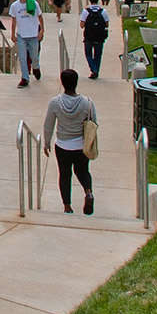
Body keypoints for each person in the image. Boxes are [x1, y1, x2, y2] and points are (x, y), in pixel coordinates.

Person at [42, 69, 97, 215]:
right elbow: (94, 122)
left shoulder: (55, 103)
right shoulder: (87, 103)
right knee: (83, 170)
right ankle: (88, 192)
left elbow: (48, 125)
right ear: (76, 83)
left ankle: (67, 206)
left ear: (62, 83)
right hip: (81, 145)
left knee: (65, 175)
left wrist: (46, 143)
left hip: (62, 145)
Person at [8, 0, 44, 88]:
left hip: (33, 35)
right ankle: (25, 78)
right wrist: (13, 33)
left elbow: (40, 17)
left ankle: (36, 67)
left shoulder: (33, 3)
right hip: (21, 35)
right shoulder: (15, 6)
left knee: (34, 56)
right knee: (22, 58)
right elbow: (14, 21)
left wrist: (41, 30)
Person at [80, 0, 110, 79]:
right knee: (98, 55)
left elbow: (82, 25)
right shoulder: (103, 11)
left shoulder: (86, 11)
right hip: (100, 37)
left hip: (89, 37)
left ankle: (94, 69)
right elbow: (107, 24)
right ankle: (96, 70)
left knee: (88, 54)